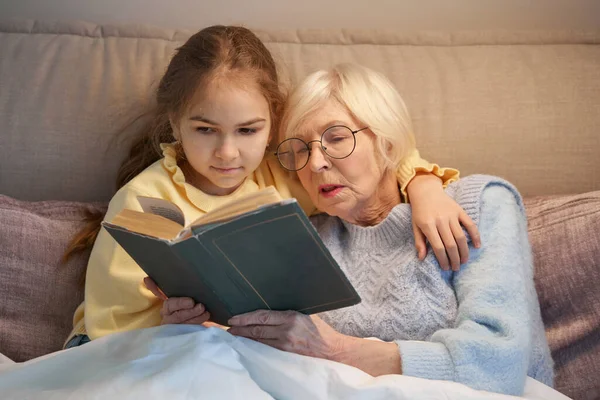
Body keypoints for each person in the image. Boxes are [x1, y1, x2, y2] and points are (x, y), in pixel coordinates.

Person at [64, 26, 478, 347]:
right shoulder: (140, 200)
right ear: (175, 124)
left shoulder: (285, 168)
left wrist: (424, 186)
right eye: (205, 130)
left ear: (272, 125)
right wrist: (168, 325)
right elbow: (109, 326)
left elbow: (382, 153)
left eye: (247, 130)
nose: (227, 153)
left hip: (239, 343)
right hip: (121, 345)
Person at [219, 64, 553, 396]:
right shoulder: (305, 240)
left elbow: (499, 362)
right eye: (301, 150)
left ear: (387, 144)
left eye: (335, 138)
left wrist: (338, 350)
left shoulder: (480, 204)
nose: (315, 163)